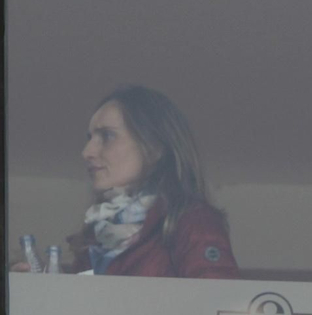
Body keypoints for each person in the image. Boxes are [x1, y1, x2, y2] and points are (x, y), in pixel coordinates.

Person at [15, 86, 238, 278]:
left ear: (154, 148)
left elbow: (218, 312)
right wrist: (43, 292)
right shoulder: (94, 241)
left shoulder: (192, 222)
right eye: (89, 138)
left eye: (107, 136)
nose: (87, 152)